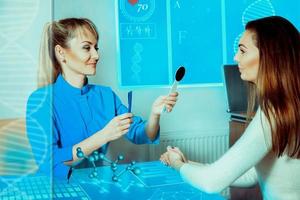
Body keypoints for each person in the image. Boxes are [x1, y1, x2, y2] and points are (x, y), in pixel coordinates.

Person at [160, 16, 300, 199]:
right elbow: (251, 176)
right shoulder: (288, 107)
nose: (235, 57)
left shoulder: (272, 113)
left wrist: (178, 165)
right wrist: (186, 163)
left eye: (243, 51)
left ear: (270, 56)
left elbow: (211, 182)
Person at [26, 18, 178, 178]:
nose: (96, 55)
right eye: (87, 48)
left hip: (96, 184)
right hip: (58, 187)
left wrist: (155, 114)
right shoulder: (40, 101)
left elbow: (141, 135)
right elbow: (49, 162)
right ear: (61, 52)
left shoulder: (106, 95)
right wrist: (104, 135)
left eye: (96, 47)